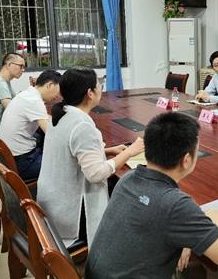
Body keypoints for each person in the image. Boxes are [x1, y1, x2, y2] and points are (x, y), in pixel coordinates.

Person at [86, 112, 218, 279]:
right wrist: (214, 216)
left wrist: (186, 236)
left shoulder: (128, 179)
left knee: (195, 271)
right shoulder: (175, 204)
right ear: (187, 160)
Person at [36, 67, 144, 246]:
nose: (101, 88)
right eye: (99, 85)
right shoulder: (82, 126)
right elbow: (96, 174)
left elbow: (70, 151)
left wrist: (107, 151)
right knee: (131, 194)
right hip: (71, 214)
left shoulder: (61, 114)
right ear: (90, 93)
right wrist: (129, 152)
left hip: (52, 201)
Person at [0, 70, 62, 182]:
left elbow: (45, 117)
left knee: (43, 141)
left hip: (11, 156)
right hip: (23, 163)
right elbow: (52, 134)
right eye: (58, 91)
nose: (57, 96)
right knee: (66, 164)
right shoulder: (34, 101)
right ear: (50, 85)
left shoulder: (27, 94)